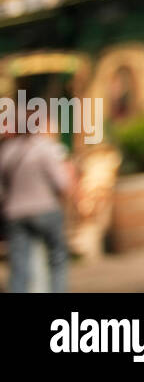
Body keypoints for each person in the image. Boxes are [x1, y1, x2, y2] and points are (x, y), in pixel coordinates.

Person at [0, 125, 74, 293]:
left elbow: (2, 191)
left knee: (19, 265)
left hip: (15, 214)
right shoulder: (44, 148)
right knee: (57, 259)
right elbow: (62, 184)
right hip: (46, 210)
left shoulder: (5, 152)